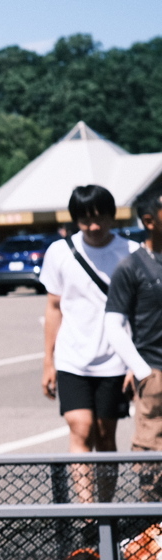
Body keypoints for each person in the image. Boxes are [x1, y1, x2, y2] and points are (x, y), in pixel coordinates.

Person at [40, 185, 138, 502]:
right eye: (85, 220)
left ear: (112, 216)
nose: (93, 227)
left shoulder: (132, 254)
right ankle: (87, 513)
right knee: (81, 428)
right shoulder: (59, 252)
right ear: (75, 220)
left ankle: (105, 508)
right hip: (72, 358)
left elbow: (143, 313)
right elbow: (54, 308)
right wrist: (48, 361)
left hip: (116, 360)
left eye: (100, 219)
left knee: (105, 433)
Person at [103, 191, 162, 499]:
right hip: (156, 373)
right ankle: (154, 535)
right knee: (153, 462)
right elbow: (112, 324)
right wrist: (142, 371)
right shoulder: (132, 266)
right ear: (149, 221)